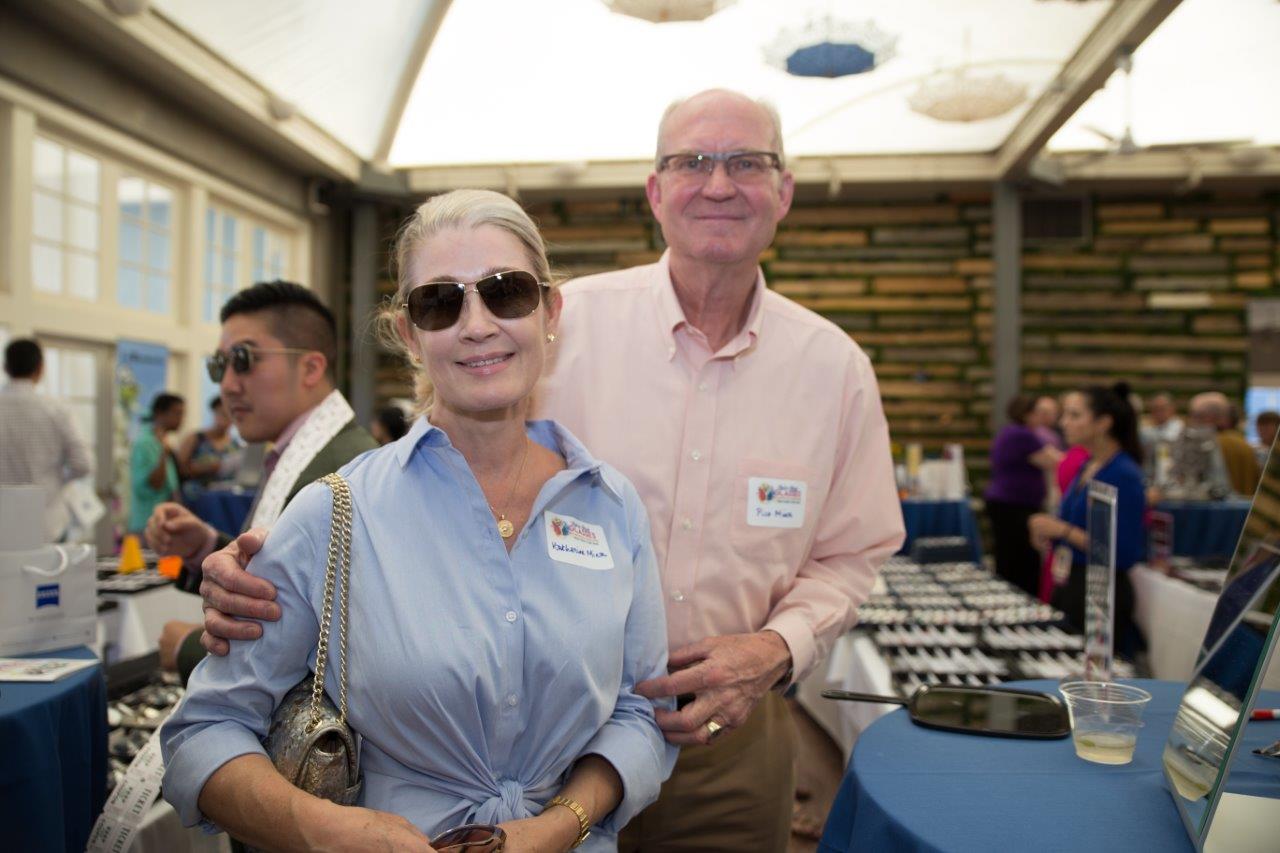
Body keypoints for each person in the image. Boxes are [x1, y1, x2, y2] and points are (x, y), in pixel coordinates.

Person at [194, 89, 905, 851]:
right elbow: (424, 484)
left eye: (747, 162)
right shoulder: (537, 316)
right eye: (692, 162)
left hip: (728, 731)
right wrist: (284, 555)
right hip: (541, 731)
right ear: (655, 191)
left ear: (784, 190)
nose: (719, 183)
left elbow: (851, 553)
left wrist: (775, 648)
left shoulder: (833, 369)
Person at [161, 189, 674, 852]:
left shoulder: (611, 507)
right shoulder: (335, 512)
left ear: (549, 311)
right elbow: (203, 731)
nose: (477, 323)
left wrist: (559, 825)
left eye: (505, 292)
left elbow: (638, 709)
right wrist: (331, 830)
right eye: (440, 302)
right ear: (408, 332)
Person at [146, 281, 377, 679]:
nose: (228, 384)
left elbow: (335, 649)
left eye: (244, 359)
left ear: (310, 368)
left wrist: (189, 651)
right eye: (219, 366)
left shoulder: (342, 472)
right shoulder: (302, 456)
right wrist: (205, 546)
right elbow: (277, 583)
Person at [1029, 383, 1147, 655]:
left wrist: (1063, 530)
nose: (1063, 423)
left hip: (1099, 594)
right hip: (1073, 584)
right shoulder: (1089, 466)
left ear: (1103, 423)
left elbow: (1123, 552)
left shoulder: (1123, 474)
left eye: (1074, 415)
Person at [0, 338, 93, 541]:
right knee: (48, 574)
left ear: (5, 367)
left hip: (2, 526)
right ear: (40, 368)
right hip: (47, 522)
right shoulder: (56, 409)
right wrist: (55, 478)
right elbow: (84, 464)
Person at [986, 394, 1062, 596]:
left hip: (1007, 502)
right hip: (1014, 504)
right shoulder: (1023, 435)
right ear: (1027, 414)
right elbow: (1054, 461)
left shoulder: (1012, 432)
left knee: (1010, 555)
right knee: (1021, 558)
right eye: (1038, 413)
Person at [129, 393, 184, 534]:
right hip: (147, 524)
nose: (181, 419)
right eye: (177, 413)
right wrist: (164, 453)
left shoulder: (161, 441)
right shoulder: (145, 443)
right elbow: (154, 484)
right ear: (160, 414)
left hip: (162, 523)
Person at [1190, 391, 1260, 497]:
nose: (1192, 421)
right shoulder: (1245, 446)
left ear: (1209, 417)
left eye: (1196, 416)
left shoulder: (1202, 446)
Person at [176, 395, 242, 501]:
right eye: (222, 413)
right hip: (196, 497)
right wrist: (208, 467)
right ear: (214, 412)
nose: (226, 418)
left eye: (230, 414)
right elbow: (180, 468)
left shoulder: (236, 445)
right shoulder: (195, 438)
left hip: (226, 497)